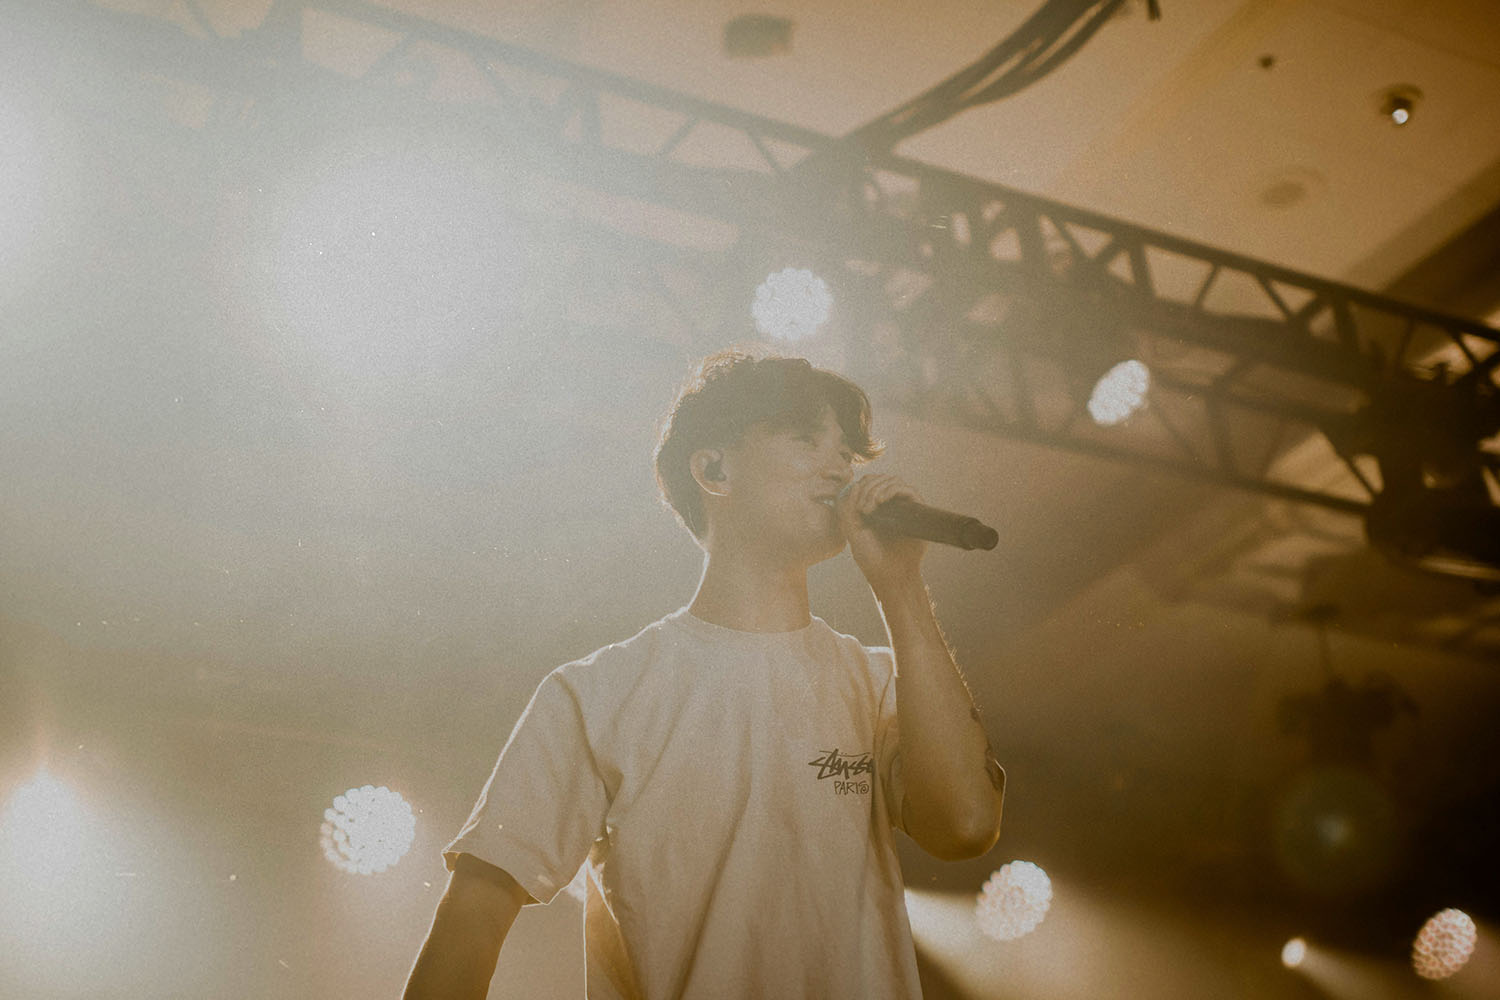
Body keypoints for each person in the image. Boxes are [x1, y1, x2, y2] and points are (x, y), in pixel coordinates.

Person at [403, 351, 1004, 999]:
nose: (840, 469)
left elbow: (966, 826)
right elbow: (472, 916)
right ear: (713, 468)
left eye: (847, 453)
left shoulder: (879, 679)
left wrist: (902, 588)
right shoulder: (599, 694)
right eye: (806, 439)